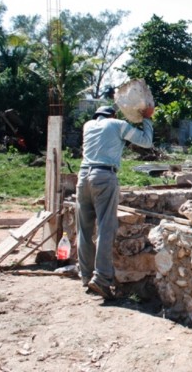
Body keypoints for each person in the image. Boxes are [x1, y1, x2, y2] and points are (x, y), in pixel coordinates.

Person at [76, 104, 154, 299]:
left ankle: (86, 276)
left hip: (83, 176)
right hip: (104, 176)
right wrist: (147, 118)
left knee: (84, 229)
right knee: (105, 227)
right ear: (113, 114)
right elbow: (146, 142)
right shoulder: (118, 124)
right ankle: (101, 279)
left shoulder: (88, 125)